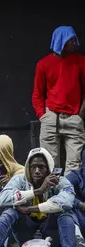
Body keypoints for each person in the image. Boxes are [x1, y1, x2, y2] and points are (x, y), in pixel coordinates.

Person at [32, 26, 85, 173]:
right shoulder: (43, 64)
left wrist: (80, 115)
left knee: (75, 166)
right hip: (51, 117)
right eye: (71, 40)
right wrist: (42, 116)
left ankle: (69, 195)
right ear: (61, 41)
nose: (75, 42)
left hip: (74, 118)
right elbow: (37, 93)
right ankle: (52, 195)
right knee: (49, 164)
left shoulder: (81, 61)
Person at [65, 147, 85, 247]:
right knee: (66, 206)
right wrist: (80, 204)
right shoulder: (74, 176)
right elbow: (63, 194)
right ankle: (77, 239)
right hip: (80, 217)